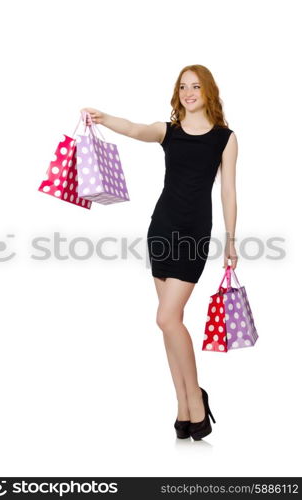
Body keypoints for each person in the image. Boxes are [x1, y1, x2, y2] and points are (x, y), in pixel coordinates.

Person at [81, 64, 238, 440]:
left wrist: (231, 238)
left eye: (196, 86)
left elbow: (228, 190)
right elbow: (136, 129)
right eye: (183, 87)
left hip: (194, 234)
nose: (188, 92)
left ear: (209, 91)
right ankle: (183, 405)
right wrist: (103, 117)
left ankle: (197, 399)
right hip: (162, 230)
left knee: (167, 319)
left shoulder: (225, 138)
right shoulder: (168, 132)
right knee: (171, 325)